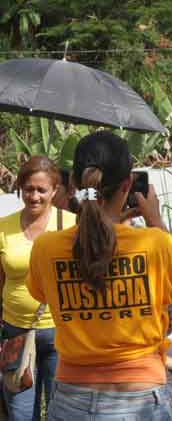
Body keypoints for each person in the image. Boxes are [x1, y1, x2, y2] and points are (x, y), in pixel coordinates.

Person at [26, 131, 172, 420]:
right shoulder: (155, 243)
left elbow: (40, 293)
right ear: (128, 184)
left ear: (72, 184)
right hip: (139, 396)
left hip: (71, 399)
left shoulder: (46, 247)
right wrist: (156, 221)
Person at [0, 156, 76, 421]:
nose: (34, 196)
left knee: (60, 411)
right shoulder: (3, 227)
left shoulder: (71, 225)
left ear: (55, 190)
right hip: (16, 334)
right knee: (20, 414)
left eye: (41, 190)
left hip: (61, 335)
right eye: (28, 189)